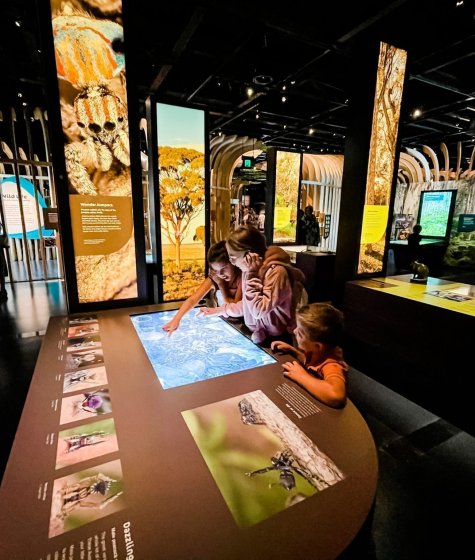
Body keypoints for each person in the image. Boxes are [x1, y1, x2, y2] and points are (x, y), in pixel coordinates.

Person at [198, 225, 306, 345]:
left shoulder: (276, 272)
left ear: (249, 255)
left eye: (233, 257)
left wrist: (251, 274)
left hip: (280, 338)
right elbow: (246, 305)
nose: (232, 262)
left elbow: (259, 310)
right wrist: (217, 310)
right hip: (262, 335)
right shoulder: (248, 271)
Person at [271, 303, 347, 408]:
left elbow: (336, 396)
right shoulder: (317, 352)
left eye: (300, 333)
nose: (294, 331)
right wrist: (294, 352)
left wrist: (301, 376)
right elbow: (313, 364)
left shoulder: (332, 364)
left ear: (317, 346)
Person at [162, 241, 242, 334]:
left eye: (224, 268)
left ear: (233, 262)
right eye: (216, 270)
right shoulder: (215, 278)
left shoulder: (241, 277)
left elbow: (235, 307)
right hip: (225, 323)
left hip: (240, 325)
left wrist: (221, 284)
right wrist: (176, 320)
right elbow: (193, 299)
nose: (220, 274)